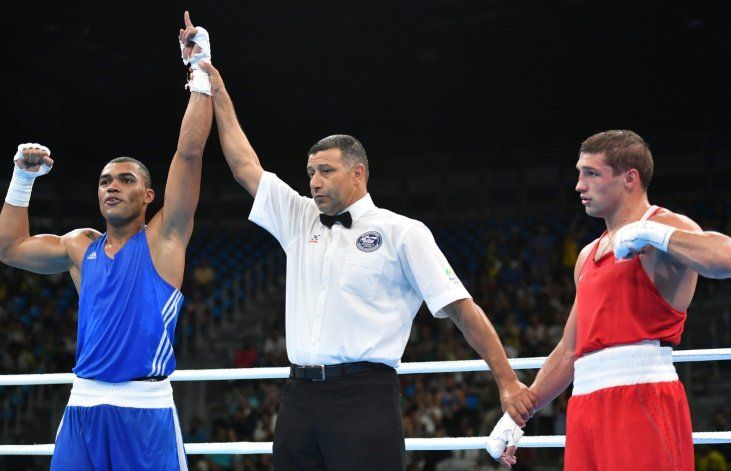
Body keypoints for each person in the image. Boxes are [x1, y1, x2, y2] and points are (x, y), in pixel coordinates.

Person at [198, 61, 538, 470]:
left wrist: (505, 380)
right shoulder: (300, 216)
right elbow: (244, 166)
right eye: (310, 173)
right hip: (298, 396)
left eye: (326, 171)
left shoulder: (402, 232)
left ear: (357, 173)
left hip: (364, 397)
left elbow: (462, 309)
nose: (314, 181)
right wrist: (215, 88)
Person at [0, 12, 213, 470]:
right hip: (83, 404)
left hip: (146, 408)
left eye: (125, 179)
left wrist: (200, 68)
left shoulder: (163, 240)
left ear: (148, 195)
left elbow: (189, 153)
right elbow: (10, 250)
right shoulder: (79, 247)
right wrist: (21, 178)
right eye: (104, 180)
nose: (111, 186)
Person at [490, 130, 731, 470]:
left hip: (642, 396)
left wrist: (652, 234)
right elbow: (570, 349)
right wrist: (520, 413)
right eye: (580, 173)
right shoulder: (587, 255)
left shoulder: (663, 226)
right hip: (584, 406)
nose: (580, 185)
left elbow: (729, 260)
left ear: (630, 178)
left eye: (591, 173)